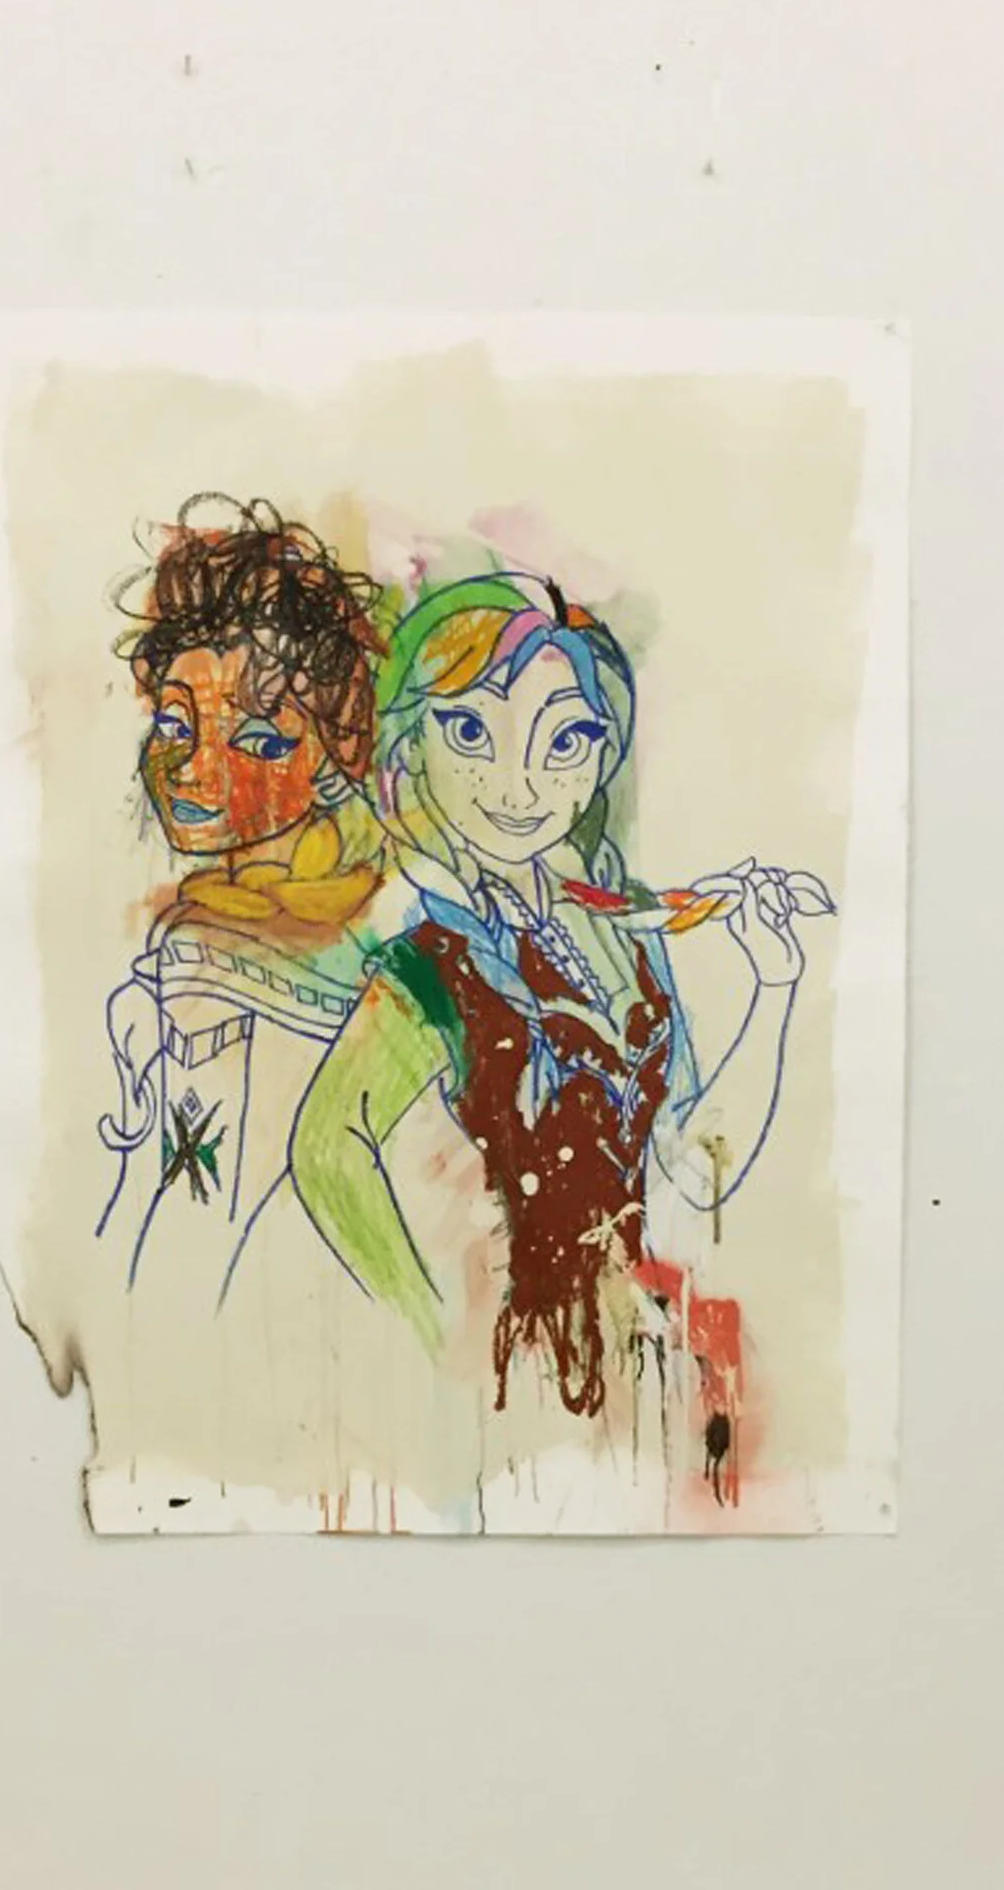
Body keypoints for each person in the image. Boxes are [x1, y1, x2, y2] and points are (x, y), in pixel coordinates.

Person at [289, 573, 828, 1432]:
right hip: (523, 1390)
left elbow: (691, 1168)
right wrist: (434, 1334)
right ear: (411, 752)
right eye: (472, 732)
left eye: (565, 739)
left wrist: (773, 987)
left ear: (600, 761)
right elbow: (326, 1150)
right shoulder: (433, 965)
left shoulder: (625, 934)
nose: (519, 786)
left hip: (648, 1365)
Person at [95, 497, 387, 1290]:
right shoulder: (208, 925)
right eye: (174, 727)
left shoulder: (227, 953)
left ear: (336, 753)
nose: (196, 770)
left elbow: (194, 1216)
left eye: (256, 739)